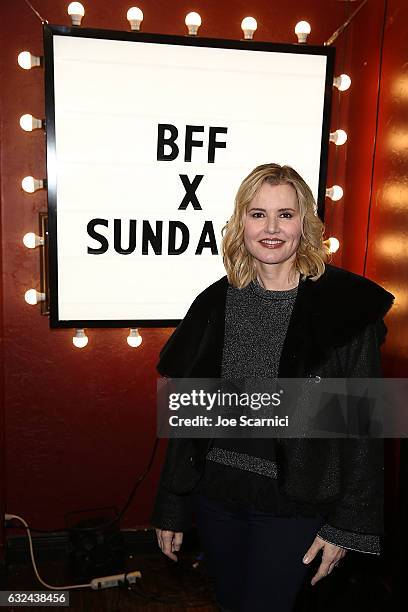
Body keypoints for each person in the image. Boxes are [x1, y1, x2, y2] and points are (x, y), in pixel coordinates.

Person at [151, 163, 395, 612]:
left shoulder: (345, 310)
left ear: (306, 225)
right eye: (258, 213)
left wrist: (346, 524)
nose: (271, 228)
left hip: (295, 503)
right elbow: (190, 418)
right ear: (240, 221)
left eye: (286, 214)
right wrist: (173, 503)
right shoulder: (213, 302)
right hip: (217, 493)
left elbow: (364, 430)